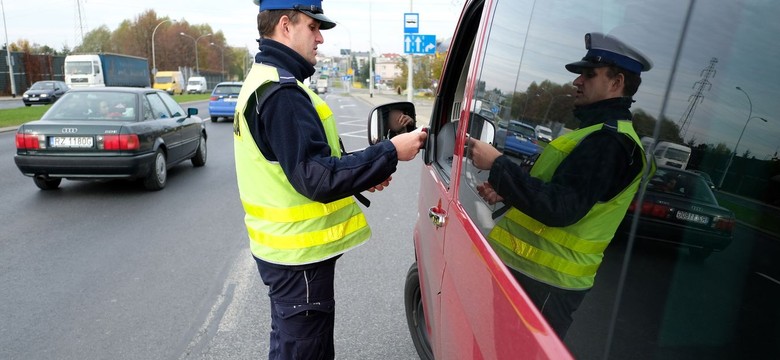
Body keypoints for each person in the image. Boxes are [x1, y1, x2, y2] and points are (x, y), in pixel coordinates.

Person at [234, 1, 427, 359]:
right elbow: (316, 177)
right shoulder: (282, 92)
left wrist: (362, 174)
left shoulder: (267, 80)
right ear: (286, 26)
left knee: (289, 348)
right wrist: (390, 152)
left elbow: (309, 165)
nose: (320, 38)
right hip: (298, 260)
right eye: (313, 27)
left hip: (285, 257)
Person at [468, 32, 653, 339]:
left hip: (545, 284)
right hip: (531, 277)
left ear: (616, 82)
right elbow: (562, 193)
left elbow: (562, 208)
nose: (577, 82)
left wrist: (499, 165)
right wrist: (509, 191)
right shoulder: (596, 132)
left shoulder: (610, 142)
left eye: (588, 75)